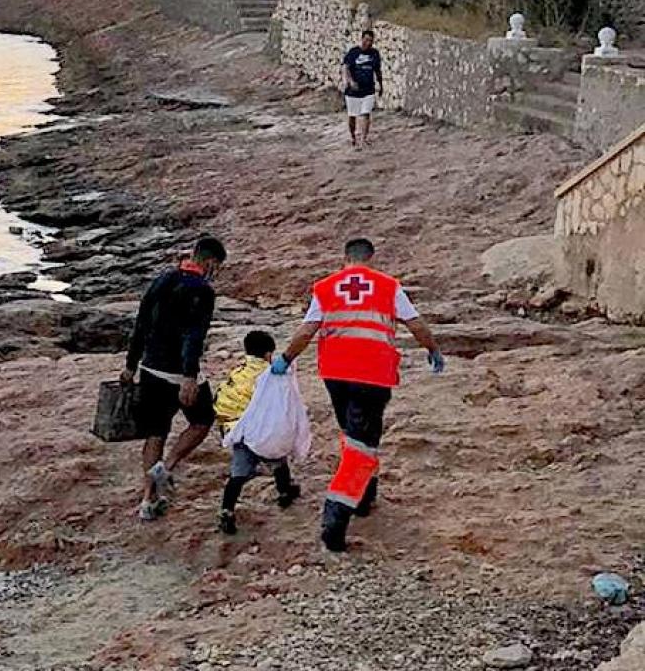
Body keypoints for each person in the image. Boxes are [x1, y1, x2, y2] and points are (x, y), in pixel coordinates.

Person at [275, 237, 445, 552]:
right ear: (370, 257)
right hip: (373, 374)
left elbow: (306, 330)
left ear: (345, 258)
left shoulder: (326, 287)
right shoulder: (387, 286)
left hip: (335, 375)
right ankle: (335, 516)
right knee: (362, 444)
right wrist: (432, 349)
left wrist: (285, 358)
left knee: (357, 436)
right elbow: (416, 324)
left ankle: (366, 496)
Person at [120, 235, 225, 521]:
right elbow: (194, 335)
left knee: (156, 432)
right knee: (202, 420)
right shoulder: (202, 291)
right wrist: (190, 376)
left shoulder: (162, 280)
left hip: (150, 367)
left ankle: (147, 500)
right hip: (178, 372)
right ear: (211, 263)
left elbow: (141, 323)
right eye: (218, 267)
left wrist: (131, 365)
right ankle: (168, 465)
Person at [213, 330, 302, 535]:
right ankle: (285, 492)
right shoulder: (269, 374)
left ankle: (227, 510)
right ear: (269, 353)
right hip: (261, 431)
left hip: (237, 430)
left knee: (238, 474)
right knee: (278, 460)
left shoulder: (237, 373)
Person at [342, 29, 384, 149]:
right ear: (362, 39)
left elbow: (378, 71)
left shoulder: (375, 54)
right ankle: (353, 137)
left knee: (366, 113)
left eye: (371, 41)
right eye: (366, 40)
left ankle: (364, 139)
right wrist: (350, 81)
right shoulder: (353, 52)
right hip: (353, 91)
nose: (368, 43)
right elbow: (346, 67)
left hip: (368, 89)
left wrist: (381, 85)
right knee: (352, 116)